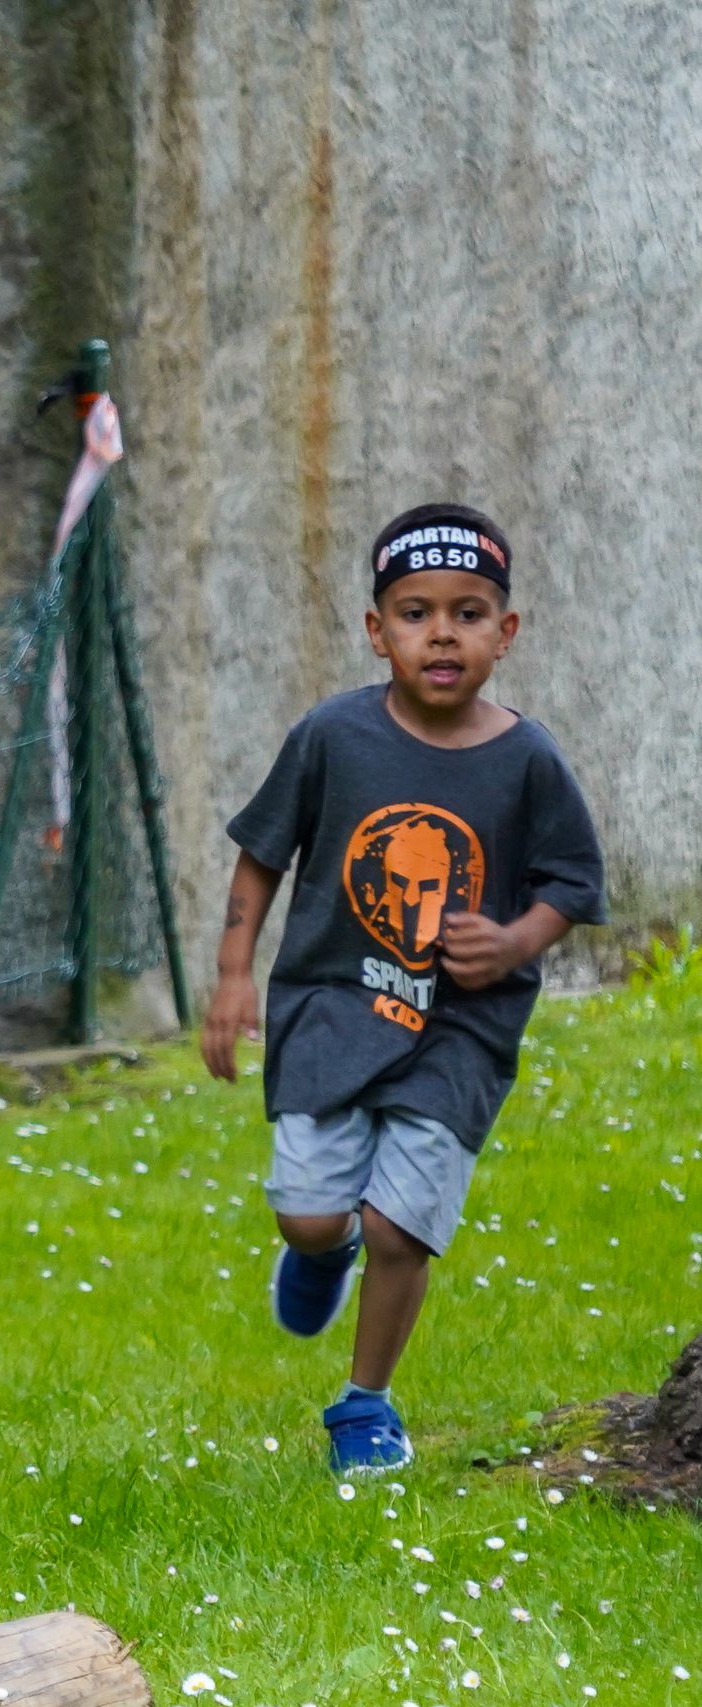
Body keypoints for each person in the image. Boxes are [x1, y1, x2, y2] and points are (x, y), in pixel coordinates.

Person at [202, 504, 605, 1475]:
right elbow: (261, 856)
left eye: (466, 613)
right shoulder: (330, 736)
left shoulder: (527, 761)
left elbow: (570, 885)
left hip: (457, 1029)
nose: (439, 633)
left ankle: (362, 1406)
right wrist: (230, 976)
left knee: (397, 1228)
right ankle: (315, 1253)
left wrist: (511, 941)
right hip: (330, 1006)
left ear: (502, 634)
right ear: (374, 630)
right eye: (414, 612)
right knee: (311, 1214)